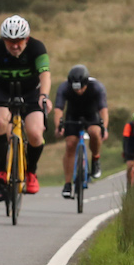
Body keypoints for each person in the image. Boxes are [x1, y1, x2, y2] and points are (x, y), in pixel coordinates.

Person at [0, 15, 52, 197]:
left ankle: (31, 172)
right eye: (10, 42)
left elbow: (45, 75)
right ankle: (2, 171)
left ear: (26, 39)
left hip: (30, 93)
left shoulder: (37, 47)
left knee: (35, 133)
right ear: (3, 40)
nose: (15, 46)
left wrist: (44, 96)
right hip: (3, 92)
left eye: (19, 41)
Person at [53, 65, 109, 198]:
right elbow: (58, 110)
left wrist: (104, 128)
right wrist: (58, 126)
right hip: (73, 115)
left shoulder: (96, 87)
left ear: (86, 83)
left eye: (81, 88)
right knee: (70, 144)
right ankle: (67, 184)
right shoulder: (64, 87)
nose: (78, 91)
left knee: (95, 133)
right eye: (75, 88)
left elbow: (103, 110)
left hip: (91, 115)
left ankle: (95, 158)